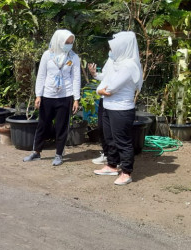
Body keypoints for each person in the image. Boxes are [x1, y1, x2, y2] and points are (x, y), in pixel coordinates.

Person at [23, 29, 81, 166]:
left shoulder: (73, 57)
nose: (69, 45)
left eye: (71, 42)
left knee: (61, 126)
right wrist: (38, 95)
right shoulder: (47, 55)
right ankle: (36, 152)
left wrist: (76, 98)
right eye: (67, 42)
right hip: (48, 95)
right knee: (43, 124)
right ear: (59, 41)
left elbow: (76, 78)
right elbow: (41, 75)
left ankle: (59, 154)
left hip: (65, 96)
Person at [92, 31, 142, 185]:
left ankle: (126, 172)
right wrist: (100, 89)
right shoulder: (116, 63)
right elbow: (104, 83)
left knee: (122, 140)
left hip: (121, 109)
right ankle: (112, 165)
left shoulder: (128, 65)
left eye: (114, 48)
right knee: (109, 138)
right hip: (108, 107)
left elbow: (110, 88)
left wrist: (101, 90)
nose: (111, 51)